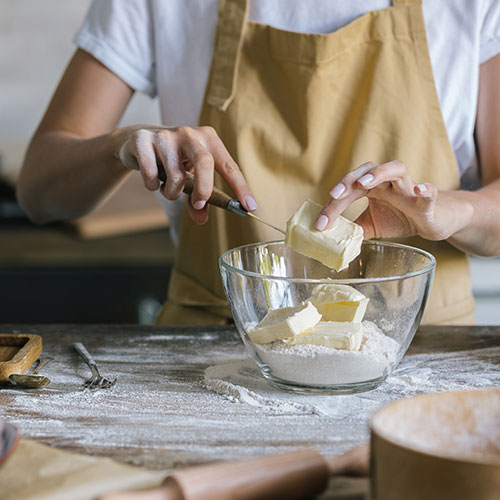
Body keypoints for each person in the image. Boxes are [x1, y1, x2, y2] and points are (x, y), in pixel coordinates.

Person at [17, 0, 500, 326]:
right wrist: (121, 144)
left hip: (417, 353)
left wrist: (449, 213)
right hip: (216, 358)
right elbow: (39, 189)